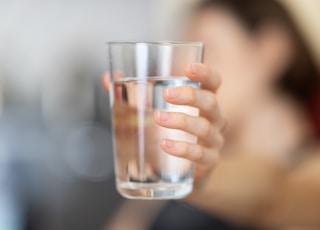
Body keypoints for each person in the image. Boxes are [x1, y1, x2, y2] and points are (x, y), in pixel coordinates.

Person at [104, 0, 320, 229]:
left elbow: (274, 196)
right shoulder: (173, 163)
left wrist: (200, 179)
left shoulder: (310, 168)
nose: (181, 69)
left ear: (270, 49)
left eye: (207, 51)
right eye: (181, 55)